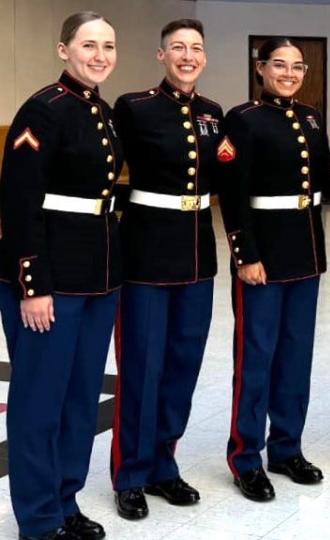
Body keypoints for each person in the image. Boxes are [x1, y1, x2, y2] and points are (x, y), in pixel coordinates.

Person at [0, 11, 121, 540]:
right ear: (63, 49)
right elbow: (20, 202)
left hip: (97, 277)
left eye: (108, 46)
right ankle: (39, 520)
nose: (99, 55)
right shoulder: (41, 111)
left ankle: (65, 500)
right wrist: (33, 286)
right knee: (39, 403)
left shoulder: (104, 112)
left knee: (78, 399)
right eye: (88, 44)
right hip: (50, 283)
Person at [109, 18, 221, 520]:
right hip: (147, 252)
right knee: (143, 366)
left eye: (196, 48)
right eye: (178, 47)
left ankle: (163, 464)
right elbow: (104, 173)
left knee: (182, 366)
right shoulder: (133, 108)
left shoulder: (214, 115)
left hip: (197, 251)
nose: (188, 56)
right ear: (162, 55)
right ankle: (130, 472)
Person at [218, 36, 330, 502]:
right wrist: (245, 256)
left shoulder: (310, 118)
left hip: (305, 254)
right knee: (256, 357)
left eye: (297, 66)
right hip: (263, 257)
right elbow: (232, 190)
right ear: (260, 68)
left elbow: (322, 183)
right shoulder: (242, 120)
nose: (289, 73)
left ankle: (287, 447)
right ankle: (246, 456)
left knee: (295, 357)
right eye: (279, 65)